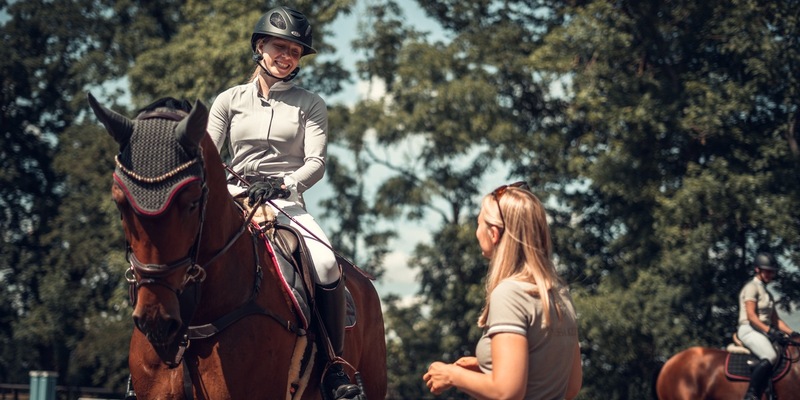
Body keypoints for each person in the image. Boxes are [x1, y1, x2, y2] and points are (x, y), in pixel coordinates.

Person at [206, 6, 360, 400]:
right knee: (176, 252)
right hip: (234, 198)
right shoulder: (228, 100)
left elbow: (316, 163)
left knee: (325, 263)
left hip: (286, 201)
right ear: (260, 46)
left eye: (295, 51)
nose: (288, 56)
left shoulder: (311, 103)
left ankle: (332, 366)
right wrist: (225, 188)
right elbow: (207, 155)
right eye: (280, 47)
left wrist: (282, 183)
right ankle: (150, 363)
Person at [423, 182, 582, 400]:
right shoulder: (559, 294)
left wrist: (452, 374)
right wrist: (485, 366)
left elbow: (507, 392)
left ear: (494, 233)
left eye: (478, 223)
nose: (476, 231)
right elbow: (570, 387)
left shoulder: (510, 294)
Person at [737, 252, 800, 400]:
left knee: (785, 353)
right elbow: (751, 316)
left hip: (762, 331)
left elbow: (776, 320)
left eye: (772, 271)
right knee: (770, 356)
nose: (770, 274)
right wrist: (770, 331)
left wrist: (793, 334)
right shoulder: (751, 287)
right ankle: (751, 394)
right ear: (757, 269)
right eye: (767, 271)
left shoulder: (767, 294)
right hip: (749, 329)